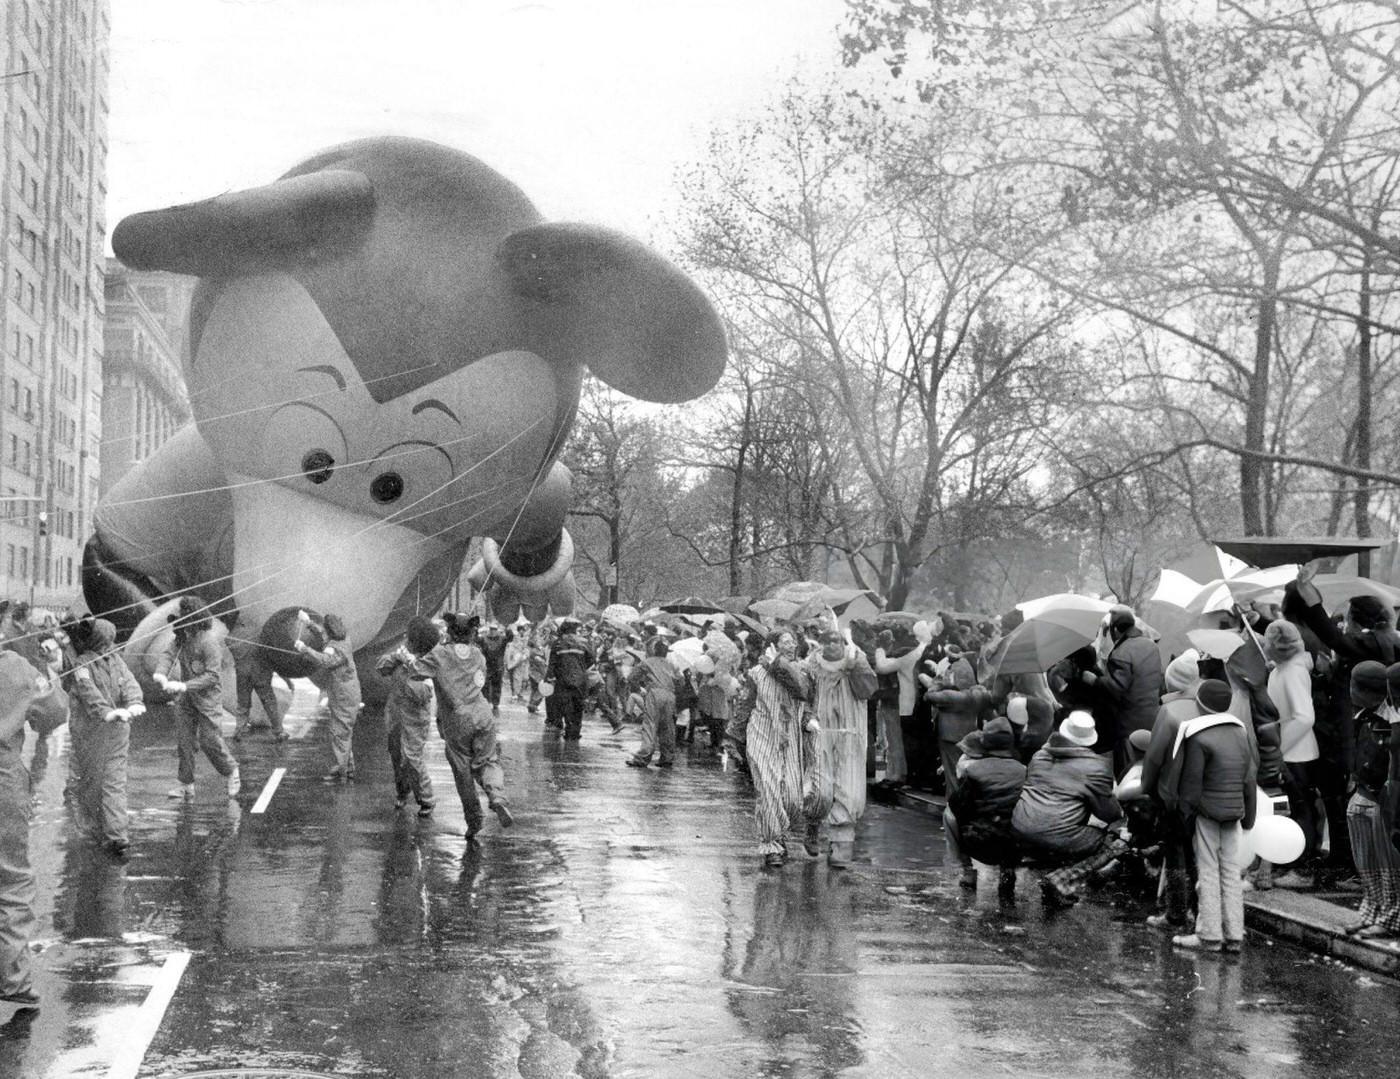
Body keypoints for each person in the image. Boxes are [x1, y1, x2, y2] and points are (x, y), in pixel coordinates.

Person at [1286, 566, 1400, 889]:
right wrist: (1330, 671)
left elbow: (1331, 635)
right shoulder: (1383, 641)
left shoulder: (1371, 643)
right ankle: (1348, 863)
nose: (1345, 622)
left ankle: (1352, 869)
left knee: (1348, 805)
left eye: (1349, 616)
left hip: (1353, 738)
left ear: (1357, 619)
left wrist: (1309, 595)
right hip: (1357, 733)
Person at [0, 649, 68, 1007]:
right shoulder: (13, 665)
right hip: (2, 779)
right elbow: (54, 713)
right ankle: (12, 980)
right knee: (11, 880)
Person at [1170, 685, 1258, 952]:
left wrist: (1184, 815)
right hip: (1234, 811)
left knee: (1208, 871)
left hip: (1207, 813)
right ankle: (1234, 935)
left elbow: (1192, 784)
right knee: (1231, 871)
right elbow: (1249, 777)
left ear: (1200, 704)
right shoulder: (1240, 731)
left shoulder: (1197, 735)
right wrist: (1249, 817)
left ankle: (1209, 935)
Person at [411, 613, 514, 839]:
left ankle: (474, 819)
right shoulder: (478, 654)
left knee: (463, 772)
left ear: (449, 631)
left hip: (457, 720)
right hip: (483, 714)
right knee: (489, 761)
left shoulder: (439, 654)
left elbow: (415, 671)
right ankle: (497, 796)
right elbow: (481, 678)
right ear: (471, 633)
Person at [1139, 677, 1230, 932]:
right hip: (1212, 794)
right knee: (1205, 853)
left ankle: (1177, 913)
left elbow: (1154, 758)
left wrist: (1149, 788)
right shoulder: (1229, 717)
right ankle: (1202, 912)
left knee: (1176, 851)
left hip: (1176, 795)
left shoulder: (1170, 713)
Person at [1011, 711, 1127, 907]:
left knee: (1063, 822)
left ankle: (1051, 868)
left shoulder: (1039, 755)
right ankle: (1060, 880)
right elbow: (1108, 814)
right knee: (1119, 837)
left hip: (1020, 828)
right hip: (1057, 836)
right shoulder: (1096, 766)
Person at [66, 618, 146, 860]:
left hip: (117, 731)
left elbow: (130, 683)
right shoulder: (82, 664)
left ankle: (116, 836)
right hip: (90, 732)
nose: (111, 644)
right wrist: (106, 712)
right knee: (92, 781)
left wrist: (135, 702)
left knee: (113, 782)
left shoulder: (115, 659)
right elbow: (87, 691)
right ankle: (91, 829)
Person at [154, 595, 241, 800]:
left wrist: (184, 685)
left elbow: (212, 676)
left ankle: (231, 770)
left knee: (210, 740)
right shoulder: (182, 637)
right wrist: (161, 672)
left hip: (207, 700)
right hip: (186, 700)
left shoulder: (209, 642)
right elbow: (168, 654)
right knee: (184, 742)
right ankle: (185, 783)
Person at [804, 627, 877, 868]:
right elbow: (801, 694)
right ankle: (813, 825)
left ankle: (841, 845)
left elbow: (868, 689)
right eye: (828, 641)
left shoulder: (857, 657)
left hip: (849, 734)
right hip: (821, 732)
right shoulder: (812, 663)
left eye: (837, 641)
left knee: (848, 787)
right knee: (820, 788)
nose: (832, 645)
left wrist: (854, 666)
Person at [745, 630, 816, 868]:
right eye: (785, 642)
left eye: (793, 641)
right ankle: (771, 844)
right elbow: (745, 706)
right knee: (768, 790)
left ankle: (781, 831)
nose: (791, 645)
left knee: (793, 799)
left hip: (790, 739)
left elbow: (803, 692)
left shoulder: (803, 672)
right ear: (772, 646)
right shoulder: (756, 673)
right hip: (762, 734)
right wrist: (730, 738)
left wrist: (808, 719)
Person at [1341, 661, 1400, 938]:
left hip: (1381, 799)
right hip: (1361, 793)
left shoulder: (1391, 722)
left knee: (1387, 864)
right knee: (1365, 861)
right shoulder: (1362, 716)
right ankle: (1369, 911)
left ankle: (1389, 918)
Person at [1264, 619, 1321, 888]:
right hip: (1290, 751)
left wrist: (1279, 748)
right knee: (1289, 810)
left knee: (1300, 811)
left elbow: (1304, 717)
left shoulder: (1292, 672)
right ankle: (1290, 863)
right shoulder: (1285, 670)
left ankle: (1302, 868)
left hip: (1296, 753)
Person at [945, 716, 1025, 894]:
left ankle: (967, 871)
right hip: (1015, 847)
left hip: (982, 845)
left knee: (949, 814)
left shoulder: (973, 770)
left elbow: (958, 806)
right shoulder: (1023, 770)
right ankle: (1008, 871)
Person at [1084, 606, 1164, 777]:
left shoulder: (1121, 653)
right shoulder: (1151, 646)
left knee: (1126, 770)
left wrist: (1094, 680)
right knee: (1146, 767)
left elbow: (1117, 688)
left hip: (1128, 722)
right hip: (1152, 716)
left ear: (1115, 629)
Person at [376, 616, 438, 817]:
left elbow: (423, 694)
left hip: (415, 719)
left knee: (411, 758)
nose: (405, 640)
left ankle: (426, 798)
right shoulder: (401, 654)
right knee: (396, 755)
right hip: (394, 714)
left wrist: (412, 667)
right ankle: (402, 791)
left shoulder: (427, 663)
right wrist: (395, 658)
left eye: (409, 638)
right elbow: (381, 667)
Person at [294, 612, 363, 782]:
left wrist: (305, 649)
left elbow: (325, 660)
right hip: (348, 692)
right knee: (344, 732)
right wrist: (308, 622)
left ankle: (342, 770)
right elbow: (324, 636)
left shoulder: (336, 649)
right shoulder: (344, 639)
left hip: (343, 695)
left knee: (339, 732)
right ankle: (347, 766)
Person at [225, 611, 288, 742]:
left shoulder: (229, 638)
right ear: (239, 621)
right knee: (269, 701)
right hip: (261, 672)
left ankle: (240, 730)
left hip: (242, 674)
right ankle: (279, 731)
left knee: (243, 704)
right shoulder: (255, 631)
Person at [625, 639, 678, 769]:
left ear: (654, 651)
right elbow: (680, 681)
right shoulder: (671, 664)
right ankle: (667, 758)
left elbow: (632, 677)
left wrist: (638, 688)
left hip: (655, 693)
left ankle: (643, 757)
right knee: (667, 727)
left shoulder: (647, 662)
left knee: (650, 724)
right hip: (670, 694)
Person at [546, 619, 595, 740]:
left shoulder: (557, 644)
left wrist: (548, 679)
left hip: (563, 681)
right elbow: (592, 662)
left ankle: (569, 732)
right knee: (578, 707)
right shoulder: (584, 642)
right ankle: (575, 732)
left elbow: (551, 665)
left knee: (567, 707)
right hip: (580, 681)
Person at [478, 621, 512, 719]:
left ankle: (495, 703)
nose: (493, 631)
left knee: (497, 685)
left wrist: (507, 627)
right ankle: (487, 702)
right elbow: (475, 639)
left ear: (497, 630)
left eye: (494, 629)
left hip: (497, 666)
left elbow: (510, 637)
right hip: (488, 665)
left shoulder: (502, 639)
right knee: (486, 685)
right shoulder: (484, 639)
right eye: (491, 629)